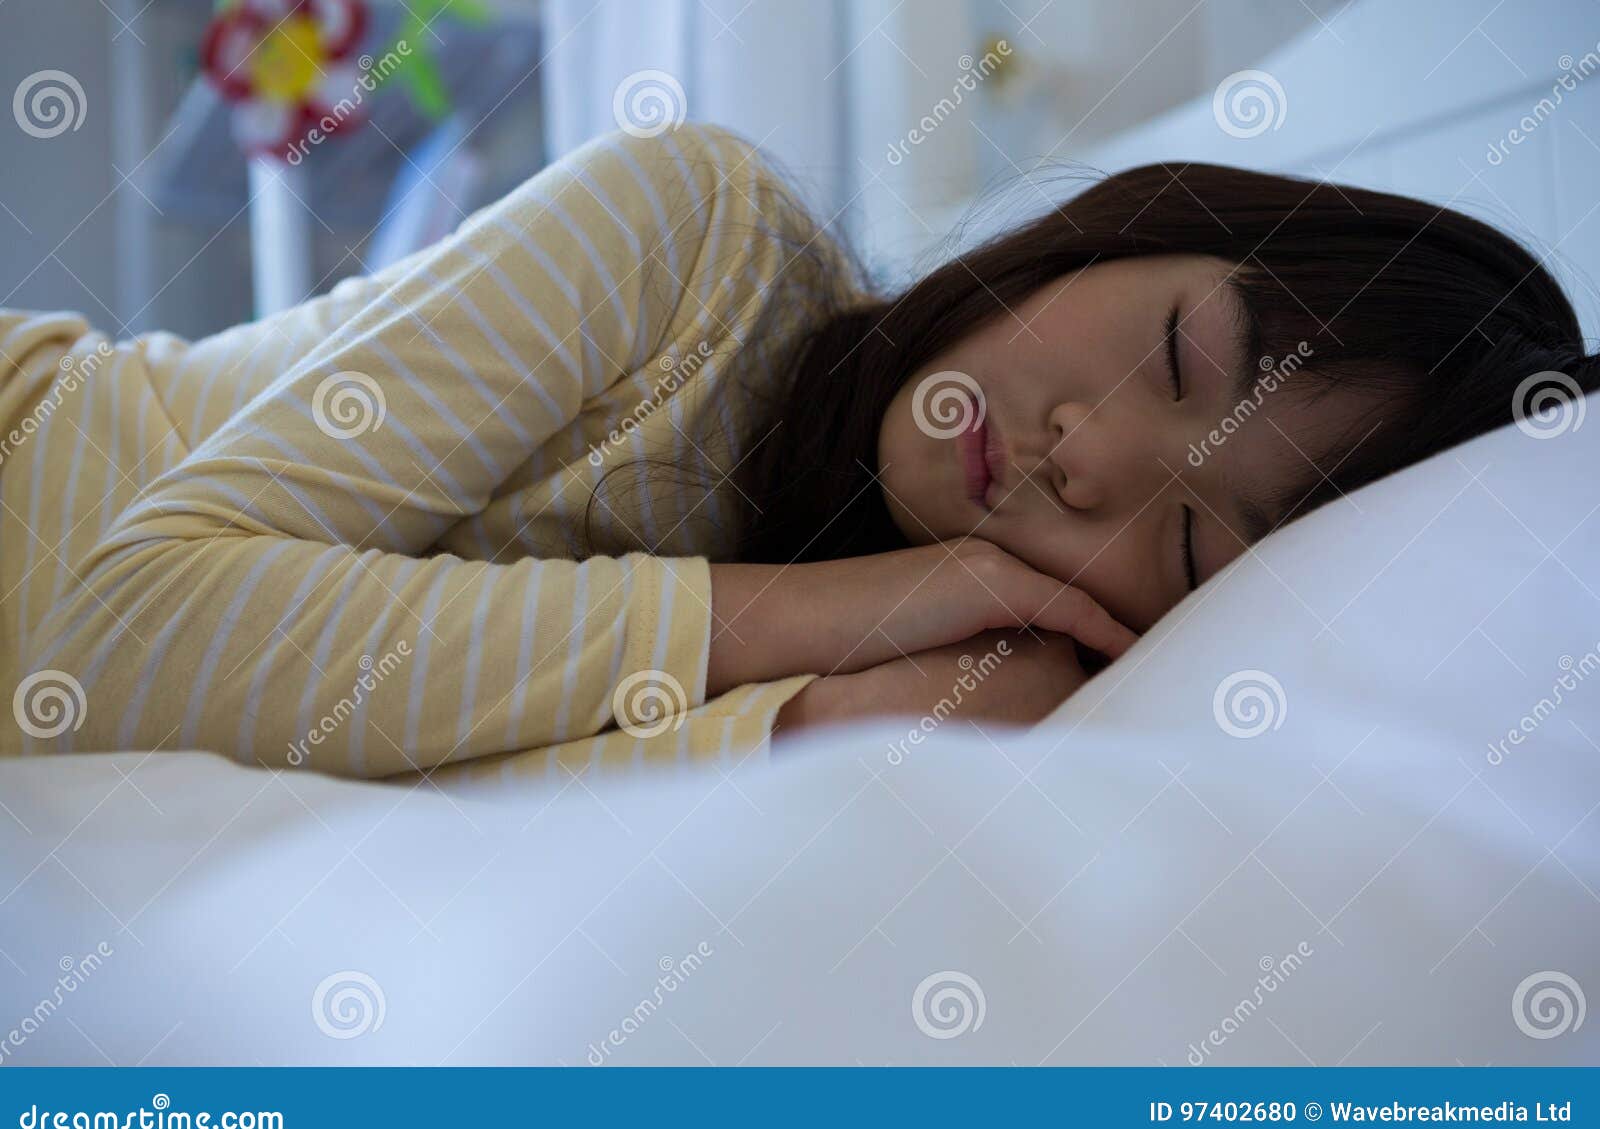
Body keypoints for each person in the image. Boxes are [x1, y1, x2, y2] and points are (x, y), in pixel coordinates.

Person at [1, 123, 1590, 777]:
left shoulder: (982, 692)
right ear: (1143, 228)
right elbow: (105, 643)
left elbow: (414, 777)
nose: (1090, 451)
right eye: (1179, 355)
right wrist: (813, 620)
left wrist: (810, 711)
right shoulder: (691, 238)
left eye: (1183, 541)